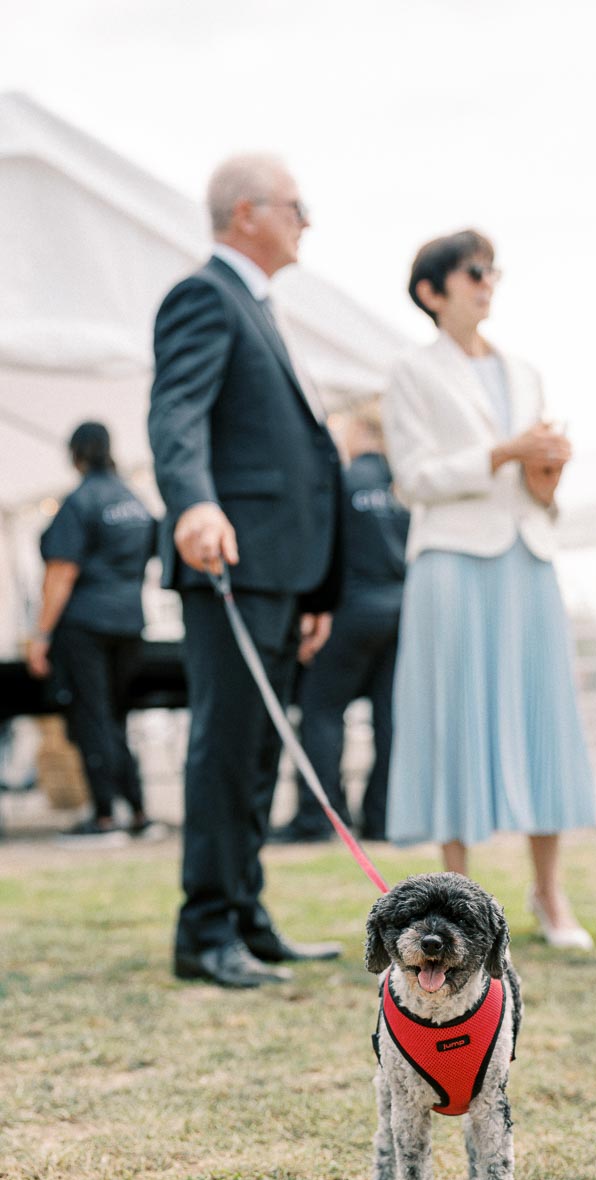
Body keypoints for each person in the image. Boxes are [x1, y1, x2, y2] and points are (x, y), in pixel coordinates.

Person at [148, 153, 344, 988]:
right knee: (226, 747)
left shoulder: (263, 307)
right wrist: (193, 502)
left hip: (284, 574)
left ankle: (247, 912)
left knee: (261, 749)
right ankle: (206, 929)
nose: (308, 220)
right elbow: (176, 412)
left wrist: (318, 586)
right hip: (231, 562)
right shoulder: (205, 295)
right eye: (297, 205)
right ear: (247, 213)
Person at [382, 229, 596, 949]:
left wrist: (546, 472)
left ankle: (550, 894)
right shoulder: (410, 372)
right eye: (474, 272)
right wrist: (505, 451)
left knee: (547, 722)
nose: (487, 282)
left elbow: (533, 487)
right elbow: (414, 479)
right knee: (455, 723)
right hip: (452, 561)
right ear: (432, 292)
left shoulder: (526, 371)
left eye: (492, 271)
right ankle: (454, 905)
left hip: (527, 555)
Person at [270, 399, 410, 843]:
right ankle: (384, 816)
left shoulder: (343, 481)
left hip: (350, 609)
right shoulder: (406, 488)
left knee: (322, 710)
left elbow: (319, 549)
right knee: (389, 718)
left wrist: (311, 609)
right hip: (400, 610)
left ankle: (321, 817)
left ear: (359, 432)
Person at [26, 422, 158, 843]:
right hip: (130, 623)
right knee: (117, 717)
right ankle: (137, 811)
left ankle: (104, 818)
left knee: (92, 717)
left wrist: (41, 634)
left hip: (86, 625)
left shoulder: (79, 501)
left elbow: (61, 572)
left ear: (76, 454)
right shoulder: (133, 501)